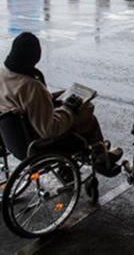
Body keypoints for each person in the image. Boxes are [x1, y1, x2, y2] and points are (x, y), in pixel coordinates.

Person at [0, 32, 122, 176]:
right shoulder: (31, 86)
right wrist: (68, 108)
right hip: (38, 144)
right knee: (87, 113)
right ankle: (101, 158)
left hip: (13, 138)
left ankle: (88, 156)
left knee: (81, 111)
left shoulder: (3, 75)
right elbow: (50, 130)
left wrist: (57, 96)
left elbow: (29, 104)